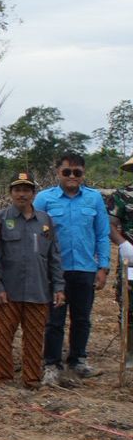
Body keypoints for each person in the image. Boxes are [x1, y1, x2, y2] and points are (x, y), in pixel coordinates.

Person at [34, 152, 111, 383]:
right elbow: (34, 234)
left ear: (83, 174)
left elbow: (102, 234)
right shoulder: (44, 199)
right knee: (54, 320)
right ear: (58, 172)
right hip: (55, 270)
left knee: (82, 318)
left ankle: (78, 361)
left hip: (85, 269)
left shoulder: (94, 199)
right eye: (67, 171)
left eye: (77, 172)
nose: (71, 176)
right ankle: (52, 364)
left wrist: (103, 267)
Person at [0, 172, 64, 389]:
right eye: (17, 190)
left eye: (26, 190)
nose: (22, 194)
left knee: (34, 338)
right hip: (8, 292)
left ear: (33, 194)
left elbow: (54, 257)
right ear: (10, 193)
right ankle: (4, 379)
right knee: (3, 337)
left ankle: (31, 379)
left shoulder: (45, 221)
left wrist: (59, 287)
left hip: (38, 291)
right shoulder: (1, 219)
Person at [111, 154, 133, 370]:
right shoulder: (121, 196)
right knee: (128, 304)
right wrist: (124, 244)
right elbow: (110, 224)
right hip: (131, 259)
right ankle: (129, 354)